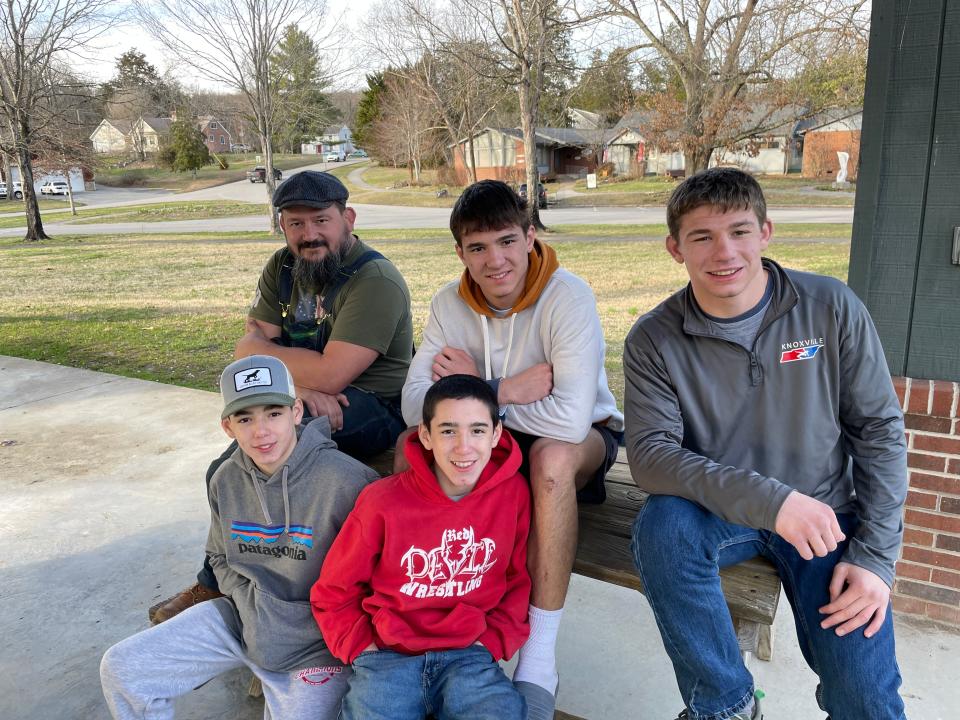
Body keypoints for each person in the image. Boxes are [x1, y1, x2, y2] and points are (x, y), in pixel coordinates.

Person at [623, 167, 907, 720]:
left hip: (826, 512)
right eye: (702, 236)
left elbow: (878, 431)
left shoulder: (829, 306)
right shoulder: (654, 338)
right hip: (721, 513)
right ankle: (725, 705)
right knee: (662, 526)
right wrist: (774, 503)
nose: (724, 251)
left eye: (739, 231)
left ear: (766, 232)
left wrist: (876, 558)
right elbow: (653, 458)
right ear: (675, 249)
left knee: (867, 697)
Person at [400, 180, 624, 719]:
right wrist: (506, 391)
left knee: (550, 459)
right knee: (413, 447)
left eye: (506, 241)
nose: (494, 260)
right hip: (497, 431)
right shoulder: (448, 304)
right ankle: (438, 627)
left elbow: (570, 418)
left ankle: (539, 657)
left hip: (581, 441)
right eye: (477, 247)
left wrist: (480, 391)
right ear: (460, 253)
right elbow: (412, 406)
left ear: (529, 236)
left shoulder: (568, 295)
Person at [149, 170, 413, 624]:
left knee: (268, 461)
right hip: (305, 401)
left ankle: (273, 599)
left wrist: (274, 360)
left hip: (374, 406)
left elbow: (329, 372)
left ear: (347, 218)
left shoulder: (375, 281)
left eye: (321, 220)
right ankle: (232, 584)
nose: (309, 234)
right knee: (234, 468)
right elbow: (248, 357)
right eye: (295, 223)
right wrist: (302, 387)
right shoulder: (282, 268)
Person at [101, 355, 379, 719]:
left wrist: (295, 619)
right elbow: (218, 556)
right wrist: (253, 602)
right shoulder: (225, 479)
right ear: (227, 427)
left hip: (317, 643)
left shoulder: (349, 483)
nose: (260, 431)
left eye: (273, 413)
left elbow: (376, 582)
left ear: (297, 411)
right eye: (245, 418)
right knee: (123, 668)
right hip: (242, 619)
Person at [311, 374, 530, 720]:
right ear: (426, 436)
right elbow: (333, 591)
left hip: (468, 653)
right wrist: (361, 649)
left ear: (496, 434)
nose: (463, 447)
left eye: (477, 430)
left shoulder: (513, 493)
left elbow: (517, 580)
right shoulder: (382, 502)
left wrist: (493, 641)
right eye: (447, 431)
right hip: (388, 655)